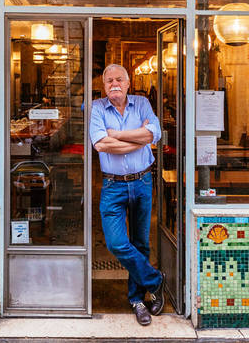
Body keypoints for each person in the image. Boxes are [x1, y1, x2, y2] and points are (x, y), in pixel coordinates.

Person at [89, 63, 165, 326]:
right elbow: (101, 144)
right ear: (103, 86)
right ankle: (155, 280)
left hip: (142, 182)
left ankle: (138, 300)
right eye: (109, 80)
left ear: (129, 82)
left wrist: (118, 135)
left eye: (119, 79)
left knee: (141, 243)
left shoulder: (142, 103)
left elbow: (153, 134)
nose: (114, 84)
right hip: (113, 186)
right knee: (117, 243)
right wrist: (138, 138)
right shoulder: (97, 108)